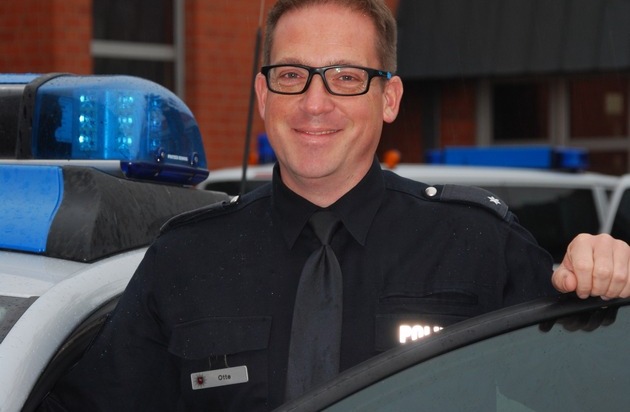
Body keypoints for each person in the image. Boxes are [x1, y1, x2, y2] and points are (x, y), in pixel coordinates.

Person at [39, 0, 630, 411]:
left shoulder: (476, 242)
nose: (314, 103)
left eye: (345, 77)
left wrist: (605, 280)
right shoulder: (186, 260)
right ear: (263, 95)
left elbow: (586, 385)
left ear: (389, 98)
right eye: (291, 75)